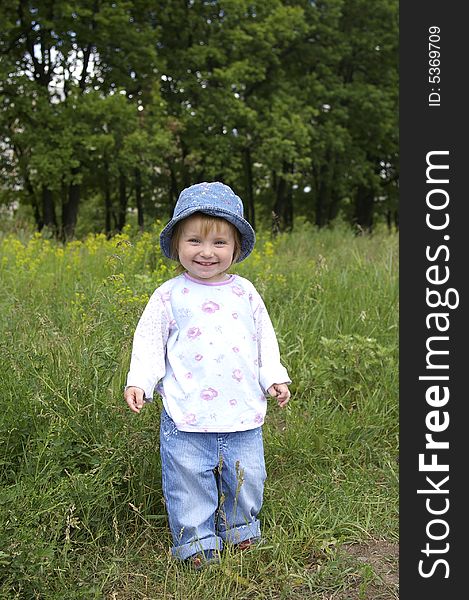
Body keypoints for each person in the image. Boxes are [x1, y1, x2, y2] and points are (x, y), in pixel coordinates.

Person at [124, 181, 291, 569]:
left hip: (242, 408)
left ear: (235, 247)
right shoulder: (169, 295)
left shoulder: (245, 293)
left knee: (247, 477)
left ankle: (241, 529)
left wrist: (273, 376)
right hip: (186, 411)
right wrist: (140, 380)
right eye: (194, 241)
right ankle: (197, 542)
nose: (206, 252)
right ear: (177, 244)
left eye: (219, 243)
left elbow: (264, 338)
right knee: (188, 481)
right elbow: (149, 342)